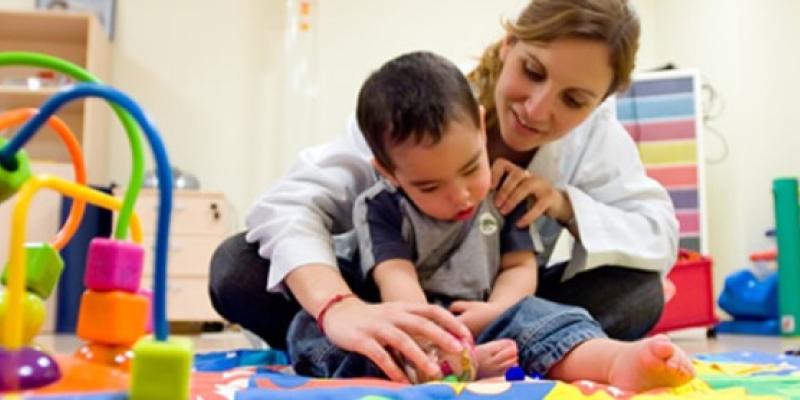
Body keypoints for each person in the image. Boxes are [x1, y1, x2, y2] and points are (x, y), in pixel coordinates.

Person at [209, 0, 679, 384]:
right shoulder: (416, 105)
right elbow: (292, 205)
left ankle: (502, 346)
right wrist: (341, 306)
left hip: (499, 304)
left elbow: (657, 233)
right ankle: (400, 347)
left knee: (640, 292)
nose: (537, 110)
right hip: (384, 300)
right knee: (238, 268)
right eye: (532, 71)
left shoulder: (597, 137)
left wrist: (562, 205)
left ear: (600, 102)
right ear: (509, 44)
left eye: (574, 100)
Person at [286, 51, 693, 390]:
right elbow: (397, 281)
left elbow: (519, 266)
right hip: (408, 318)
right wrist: (440, 341)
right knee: (308, 331)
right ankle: (440, 369)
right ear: (389, 172)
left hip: (489, 312)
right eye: (429, 186)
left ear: (482, 129)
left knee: (542, 315)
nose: (460, 194)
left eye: (470, 169)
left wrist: (497, 309)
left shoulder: (503, 192)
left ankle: (611, 361)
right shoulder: (380, 206)